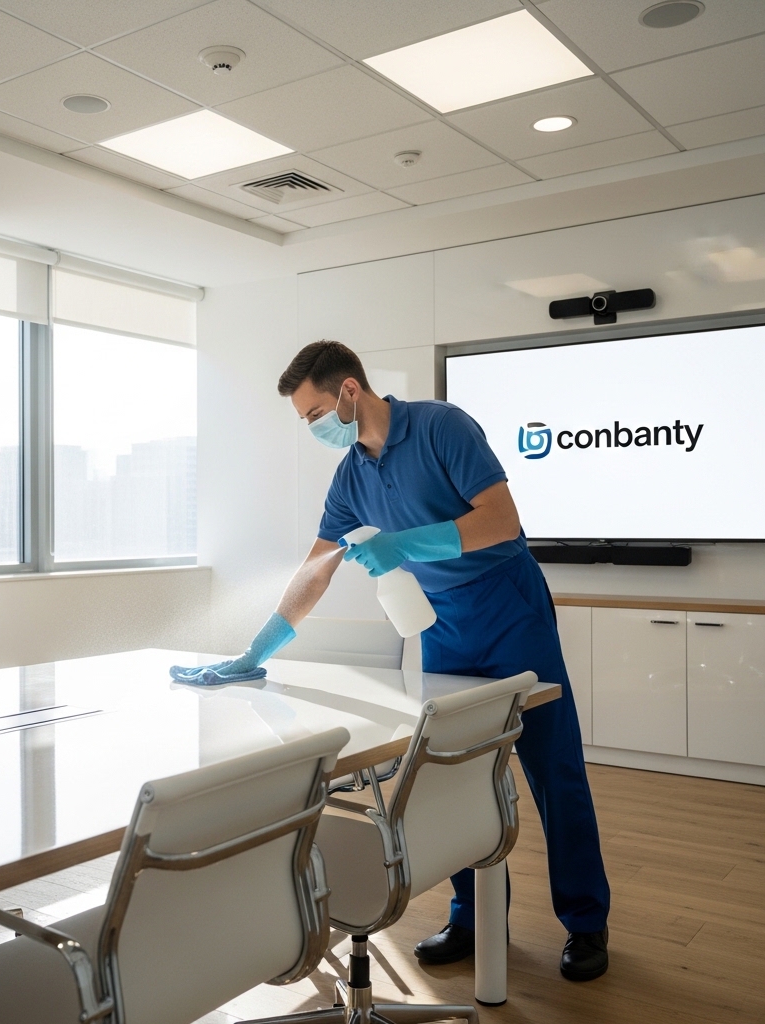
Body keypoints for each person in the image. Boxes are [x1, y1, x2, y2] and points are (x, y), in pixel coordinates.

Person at [172, 340, 610, 981]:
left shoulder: (442, 427)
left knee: (552, 767)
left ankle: (587, 921)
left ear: (349, 390)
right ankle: (473, 916)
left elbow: (502, 521)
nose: (312, 427)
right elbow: (316, 569)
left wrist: (404, 543)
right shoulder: (351, 476)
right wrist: (255, 650)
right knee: (451, 774)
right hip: (444, 622)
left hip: (510, 605)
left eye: (314, 413)